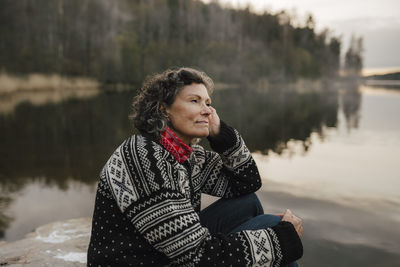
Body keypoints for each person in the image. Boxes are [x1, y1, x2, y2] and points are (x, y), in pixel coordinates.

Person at [87, 67, 303, 266]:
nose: (207, 110)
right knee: (275, 233)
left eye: (208, 103)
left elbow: (247, 183)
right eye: (195, 101)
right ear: (164, 110)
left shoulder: (186, 155)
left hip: (162, 251)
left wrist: (221, 136)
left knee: (247, 203)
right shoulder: (143, 158)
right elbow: (196, 255)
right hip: (141, 261)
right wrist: (281, 240)